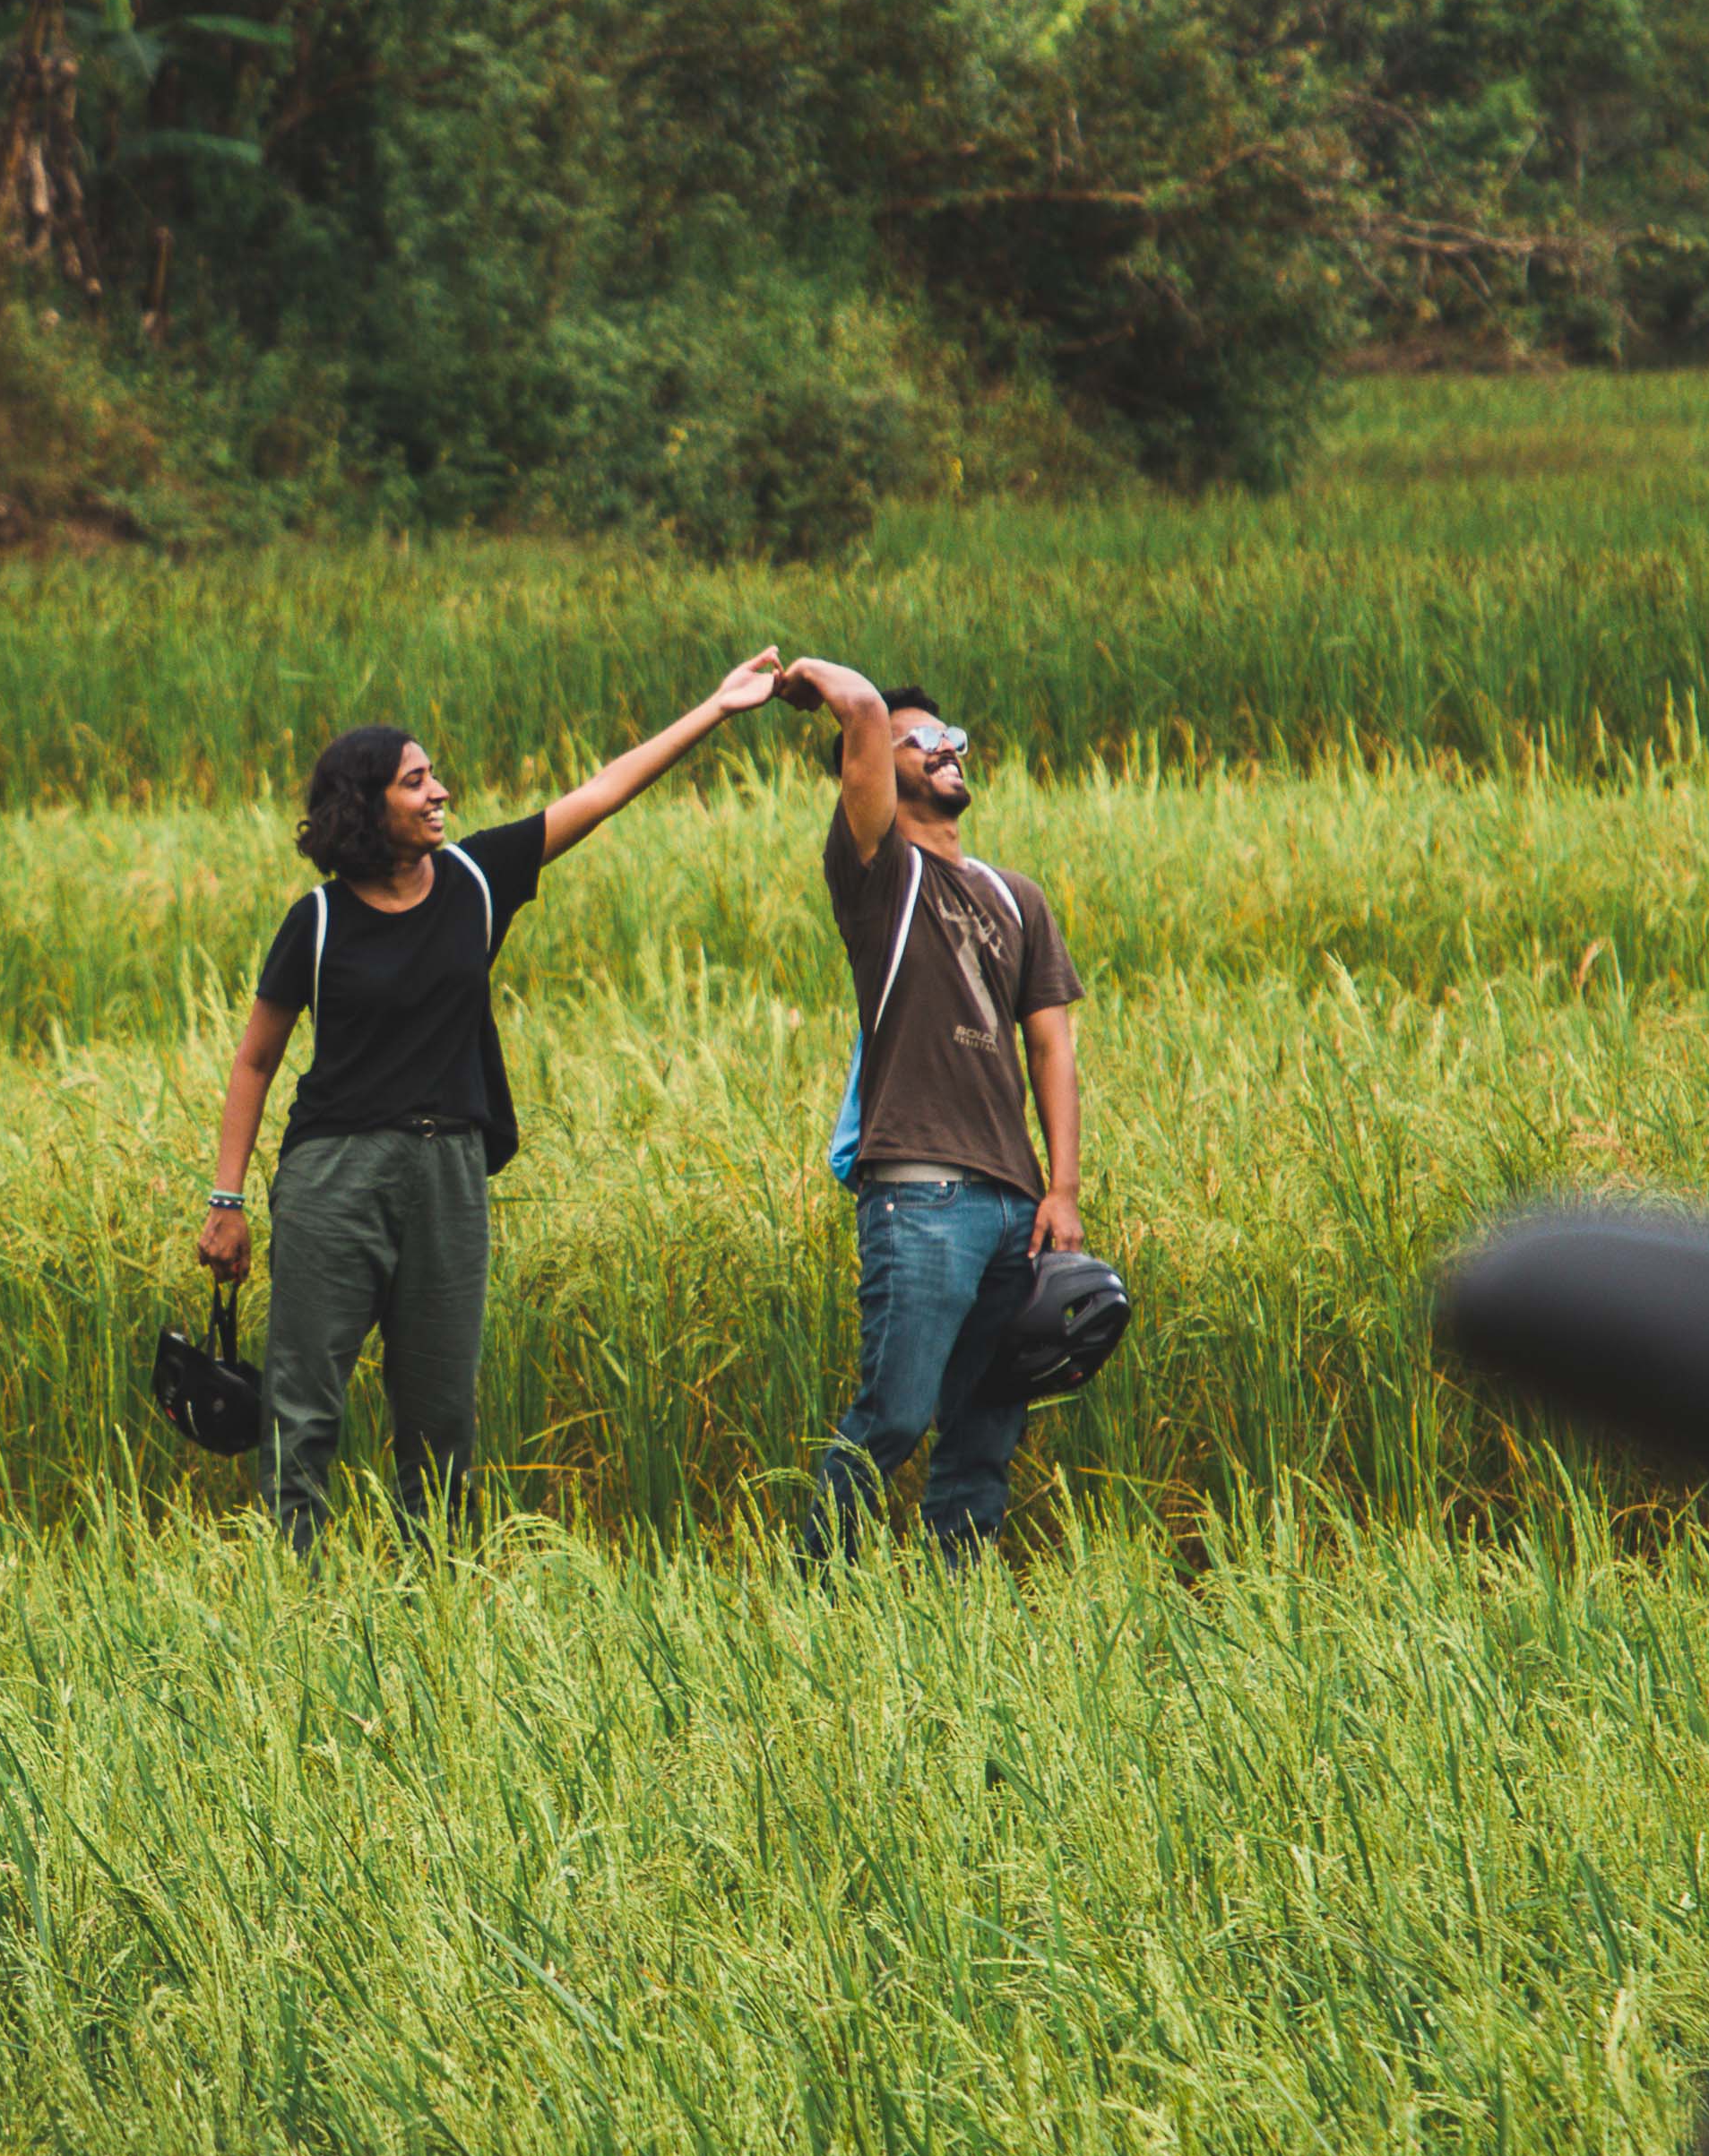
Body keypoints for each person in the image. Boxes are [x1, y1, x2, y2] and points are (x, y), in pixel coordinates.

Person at [196, 661, 784, 1542]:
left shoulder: (476, 880)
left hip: (449, 1174)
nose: (441, 793)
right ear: (367, 806)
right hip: (333, 1178)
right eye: (416, 781)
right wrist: (227, 1199)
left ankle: (435, 1602)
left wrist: (715, 707)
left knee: (440, 1419)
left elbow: (603, 792)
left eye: (434, 776)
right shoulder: (315, 922)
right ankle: (292, 1593)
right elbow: (256, 1061)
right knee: (302, 1407)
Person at [776, 659, 1085, 1560]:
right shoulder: (880, 876)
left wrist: (1059, 1192)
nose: (946, 749)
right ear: (869, 769)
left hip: (1011, 1204)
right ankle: (812, 1588)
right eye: (920, 741)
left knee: (987, 1432)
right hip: (919, 1195)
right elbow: (862, 709)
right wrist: (802, 680)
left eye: (950, 738)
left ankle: (961, 1618)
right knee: (896, 1415)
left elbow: (1052, 1045)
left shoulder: (1013, 895)